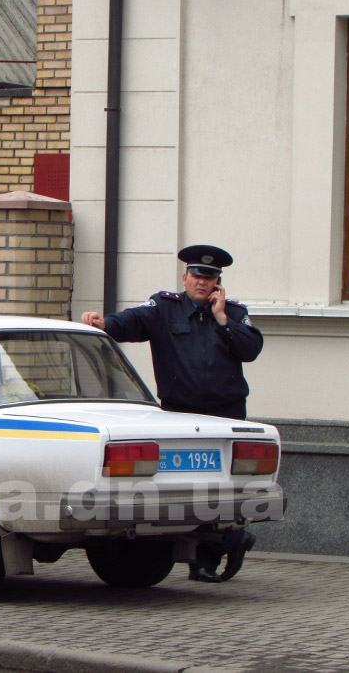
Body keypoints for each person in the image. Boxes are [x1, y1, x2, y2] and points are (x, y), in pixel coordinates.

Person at [81, 244, 261, 583]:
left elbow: (251, 349)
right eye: (196, 275)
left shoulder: (234, 314)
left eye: (209, 278)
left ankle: (214, 553)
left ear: (217, 283)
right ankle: (206, 550)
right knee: (186, 489)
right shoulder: (165, 308)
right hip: (181, 414)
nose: (201, 283)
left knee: (228, 488)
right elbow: (132, 322)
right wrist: (105, 323)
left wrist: (222, 319)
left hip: (227, 415)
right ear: (185, 277)